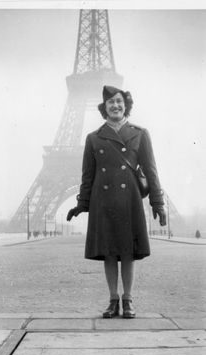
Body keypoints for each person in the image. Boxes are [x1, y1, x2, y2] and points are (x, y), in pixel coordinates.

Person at [67, 85, 166, 318]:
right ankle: (113, 299)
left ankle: (128, 299)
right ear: (105, 108)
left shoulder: (140, 133)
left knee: (128, 252)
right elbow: (87, 176)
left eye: (119, 101)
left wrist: (158, 203)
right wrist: (82, 204)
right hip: (104, 201)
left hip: (129, 200)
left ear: (126, 105)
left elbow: (151, 171)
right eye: (111, 102)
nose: (115, 105)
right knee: (109, 252)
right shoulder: (93, 138)